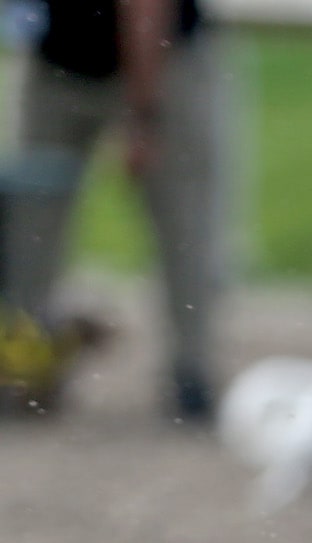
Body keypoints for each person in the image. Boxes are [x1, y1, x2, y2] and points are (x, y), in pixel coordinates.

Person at [3, 0, 225, 423]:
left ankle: (190, 374)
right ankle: (25, 364)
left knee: (184, 224)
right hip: (57, 57)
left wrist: (145, 116)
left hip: (164, 56)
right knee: (29, 224)